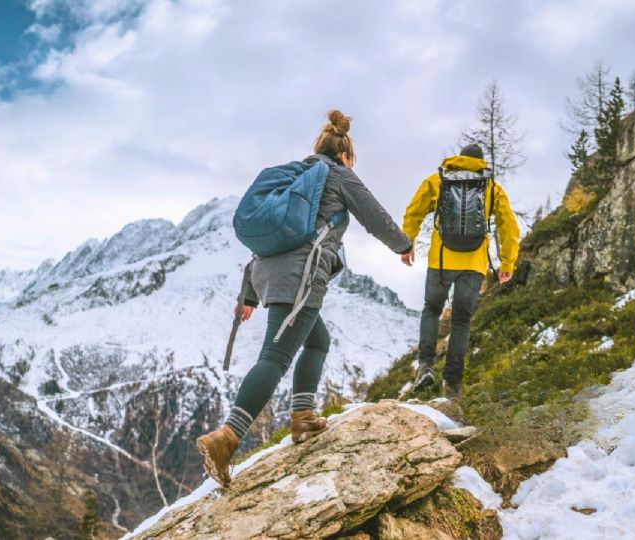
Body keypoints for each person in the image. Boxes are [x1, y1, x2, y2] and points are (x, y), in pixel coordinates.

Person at [196, 110, 413, 487]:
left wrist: (248, 293)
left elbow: (273, 238)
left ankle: (303, 418)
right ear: (346, 155)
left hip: (269, 274)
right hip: (301, 276)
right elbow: (374, 216)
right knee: (275, 357)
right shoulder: (339, 174)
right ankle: (226, 438)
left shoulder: (294, 176)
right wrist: (403, 245)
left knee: (318, 340)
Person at [401, 143, 520, 398]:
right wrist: (507, 262)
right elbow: (508, 226)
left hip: (441, 261)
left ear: (460, 158)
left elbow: (414, 212)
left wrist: (407, 244)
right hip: (474, 264)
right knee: (461, 321)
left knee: (431, 311)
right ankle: (452, 385)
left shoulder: (439, 180)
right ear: (480, 162)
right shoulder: (491, 187)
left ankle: (425, 367)